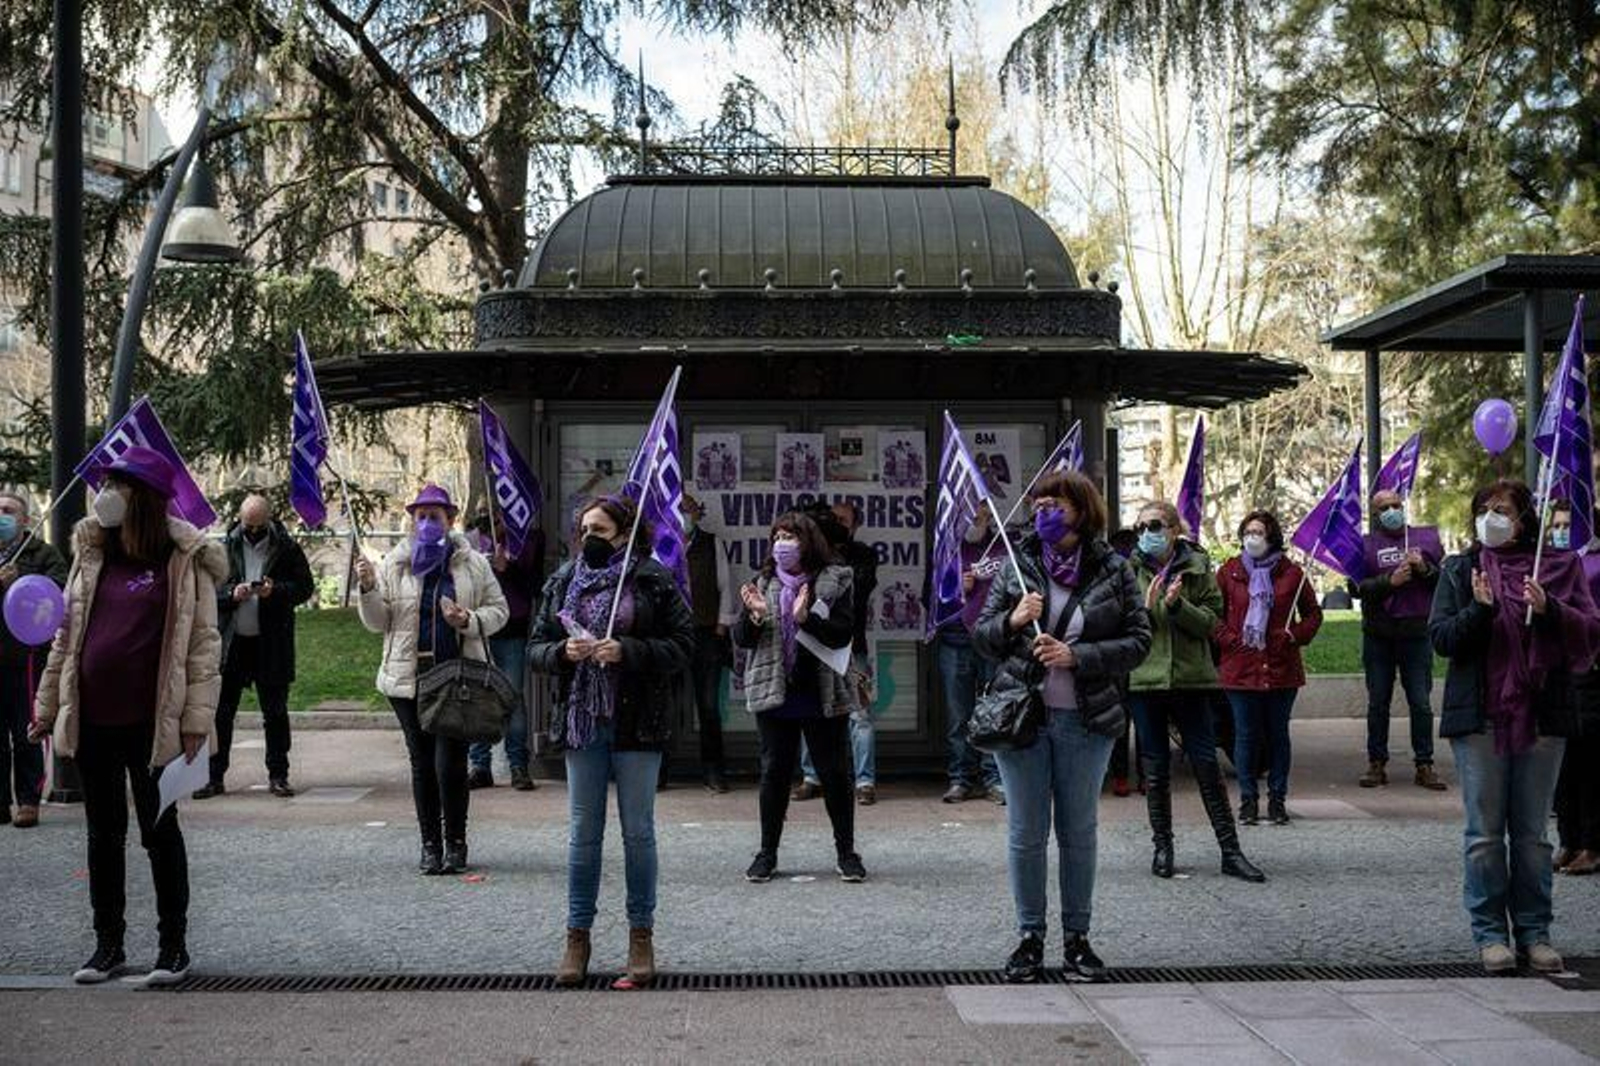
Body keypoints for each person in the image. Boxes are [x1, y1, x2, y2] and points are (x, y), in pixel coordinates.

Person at [29, 448, 224, 985]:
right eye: (107, 483)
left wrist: (195, 722)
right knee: (102, 835)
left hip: (153, 723)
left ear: (145, 499)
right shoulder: (92, 553)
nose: (106, 494)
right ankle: (107, 945)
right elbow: (65, 638)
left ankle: (172, 949)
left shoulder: (184, 561)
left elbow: (203, 647)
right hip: (94, 719)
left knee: (159, 834)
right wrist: (47, 707)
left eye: (119, 485)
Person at [974, 470, 1152, 984]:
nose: (1044, 512)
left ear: (1081, 509)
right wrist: (1011, 620)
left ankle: (1078, 939)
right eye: (1038, 504)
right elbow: (981, 636)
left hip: (1086, 720)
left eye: (1055, 504)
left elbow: (1139, 641)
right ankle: (1030, 938)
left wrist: (1079, 656)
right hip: (1022, 720)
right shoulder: (1017, 563)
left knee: (1078, 833)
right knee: (1026, 833)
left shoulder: (1114, 569)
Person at [1429, 479, 1600, 974]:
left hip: (1542, 715)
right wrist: (1479, 611)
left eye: (1501, 509)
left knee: (1532, 835)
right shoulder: (1460, 570)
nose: (1491, 517)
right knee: (1484, 834)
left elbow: (1589, 632)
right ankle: (1489, 934)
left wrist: (1550, 610)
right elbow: (1442, 639)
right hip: (1481, 717)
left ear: (1524, 519)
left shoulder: (1559, 568)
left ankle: (1534, 932)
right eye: (1483, 509)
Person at [528, 495, 693, 989]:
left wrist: (629, 650)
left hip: (638, 721)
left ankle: (641, 935)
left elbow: (684, 645)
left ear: (624, 533)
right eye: (583, 531)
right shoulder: (563, 579)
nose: (589, 539)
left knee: (638, 832)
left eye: (599, 530)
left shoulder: (653, 578)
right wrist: (563, 651)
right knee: (583, 832)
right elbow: (535, 648)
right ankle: (577, 936)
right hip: (583, 721)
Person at [355, 485, 507, 876]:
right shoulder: (395, 563)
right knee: (422, 762)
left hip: (456, 677)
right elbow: (378, 622)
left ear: (450, 520)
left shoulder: (473, 563)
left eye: (434, 516)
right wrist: (368, 589)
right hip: (408, 678)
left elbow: (499, 611)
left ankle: (456, 842)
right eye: (420, 516)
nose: (426, 523)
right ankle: (430, 845)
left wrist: (468, 620)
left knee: (450, 763)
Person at [1127, 502, 1264, 882]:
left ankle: (1230, 852)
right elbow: (1122, 625)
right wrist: (1146, 609)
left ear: (1174, 530)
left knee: (1206, 763)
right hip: (1146, 681)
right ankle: (1163, 848)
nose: (1147, 534)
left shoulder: (1199, 568)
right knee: (1155, 769)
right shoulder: (1128, 570)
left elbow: (1211, 623)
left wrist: (1177, 606)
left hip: (1191, 680)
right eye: (1140, 527)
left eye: (1155, 525)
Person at [735, 510, 866, 885]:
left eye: (790, 537)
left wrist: (806, 618)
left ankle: (846, 853)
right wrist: (756, 615)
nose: (782, 545)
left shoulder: (835, 579)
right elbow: (742, 639)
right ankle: (767, 853)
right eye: (777, 537)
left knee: (834, 773)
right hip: (775, 692)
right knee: (774, 772)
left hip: (821, 692)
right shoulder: (762, 582)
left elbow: (843, 633)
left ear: (808, 542)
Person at [195, 495, 313, 800]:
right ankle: (213, 776)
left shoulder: (286, 547)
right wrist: (231, 594)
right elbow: (205, 592)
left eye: (259, 526)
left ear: (269, 520)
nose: (253, 532)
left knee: (275, 713)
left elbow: (304, 588)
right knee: (222, 713)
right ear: (240, 518)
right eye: (248, 525)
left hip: (271, 642)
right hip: (232, 642)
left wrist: (276, 591)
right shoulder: (223, 547)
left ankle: (278, 775)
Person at [1216, 510, 1322, 827]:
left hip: (1281, 667)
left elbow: (1313, 614)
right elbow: (1213, 615)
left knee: (1278, 735)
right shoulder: (1229, 572)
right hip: (1240, 668)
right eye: (1248, 532)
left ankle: (1277, 799)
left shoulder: (1292, 573)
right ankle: (1248, 800)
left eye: (1259, 532)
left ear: (1272, 537)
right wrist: (1230, 640)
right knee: (1246, 735)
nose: (1253, 537)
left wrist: (1294, 635)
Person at [1351, 488, 1446, 790]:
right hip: (1378, 635)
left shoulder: (1426, 538)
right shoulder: (1364, 545)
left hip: (1416, 634)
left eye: (1396, 505)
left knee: (1421, 703)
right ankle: (1376, 763)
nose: (1392, 511)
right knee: (1378, 702)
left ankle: (1425, 764)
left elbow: (1441, 581)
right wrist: (1389, 582)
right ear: (1375, 514)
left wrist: (1424, 569)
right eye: (1384, 508)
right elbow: (1356, 588)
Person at [793, 501, 880, 804]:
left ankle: (865, 781)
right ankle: (811, 777)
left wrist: (835, 556)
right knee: (811, 709)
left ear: (855, 526)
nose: (837, 524)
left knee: (860, 714)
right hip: (813, 644)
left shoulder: (863, 556)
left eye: (843, 520)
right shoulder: (811, 557)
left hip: (851, 646)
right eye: (832, 520)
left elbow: (858, 589)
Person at [0, 490, 68, 828]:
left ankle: (28, 799)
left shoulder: (43, 553)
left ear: (25, 519)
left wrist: (21, 583)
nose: (2, 516)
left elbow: (58, 592)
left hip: (25, 656)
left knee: (26, 730)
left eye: (8, 510)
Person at [465, 510, 545, 792]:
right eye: (492, 516)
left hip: (512, 628)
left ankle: (518, 765)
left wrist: (507, 568)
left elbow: (536, 587)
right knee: (478, 696)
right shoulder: (471, 541)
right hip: (478, 629)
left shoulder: (529, 541)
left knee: (512, 697)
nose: (497, 520)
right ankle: (480, 765)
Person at [934, 504, 1005, 804]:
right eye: (968, 518)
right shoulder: (946, 552)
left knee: (993, 712)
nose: (974, 523)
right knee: (958, 716)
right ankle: (960, 778)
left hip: (992, 642)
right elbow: (929, 602)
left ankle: (994, 778)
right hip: (955, 642)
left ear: (990, 517)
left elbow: (1015, 593)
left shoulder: (1002, 550)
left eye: (978, 518)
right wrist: (952, 589)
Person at [1553, 501, 1600, 877]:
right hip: (1557, 669)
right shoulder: (1553, 560)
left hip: (1591, 669)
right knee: (1562, 762)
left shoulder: (1594, 562)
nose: (1561, 531)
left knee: (1589, 762)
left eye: (1567, 524)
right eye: (1555, 525)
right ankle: (1568, 839)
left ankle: (1592, 844)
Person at [679, 493, 738, 792]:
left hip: (706, 634)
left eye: (687, 509)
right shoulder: (660, 544)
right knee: (665, 705)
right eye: (678, 509)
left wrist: (721, 628)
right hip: (672, 637)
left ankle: (714, 771)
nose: (683, 515)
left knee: (709, 706)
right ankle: (659, 770)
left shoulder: (711, 543)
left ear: (697, 514)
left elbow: (726, 586)